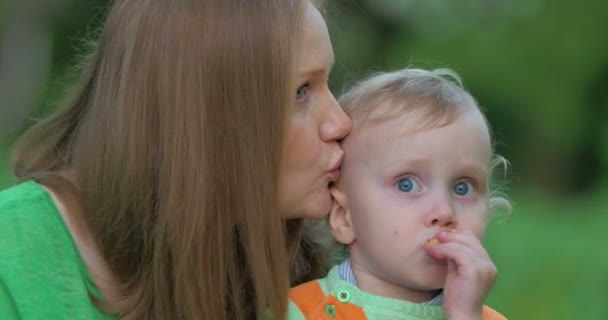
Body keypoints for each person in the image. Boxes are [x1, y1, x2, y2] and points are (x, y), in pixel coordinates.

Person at [0, 0, 351, 319]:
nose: (340, 122)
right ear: (205, 117)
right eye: (301, 92)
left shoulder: (314, 276)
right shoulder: (11, 261)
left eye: (327, 83)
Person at [287, 68, 511, 320]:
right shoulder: (299, 312)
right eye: (407, 184)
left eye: (463, 187)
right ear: (344, 217)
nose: (444, 212)